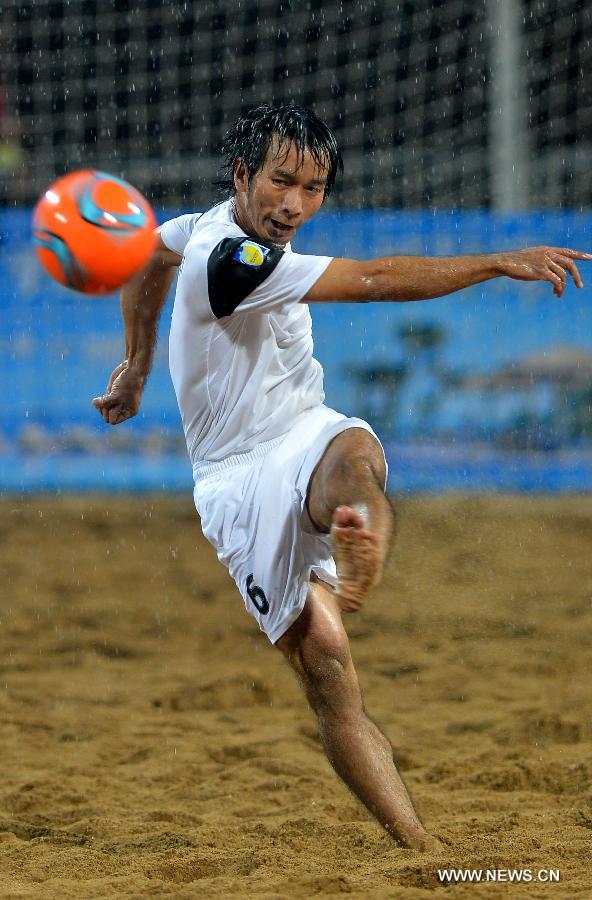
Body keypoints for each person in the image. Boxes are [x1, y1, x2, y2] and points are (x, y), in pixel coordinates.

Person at [93, 104, 590, 852]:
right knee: (326, 666)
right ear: (242, 176)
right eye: (281, 181)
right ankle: (415, 843)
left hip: (302, 430)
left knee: (355, 454)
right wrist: (495, 261)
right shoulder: (229, 260)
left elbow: (143, 259)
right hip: (234, 483)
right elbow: (377, 279)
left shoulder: (194, 227)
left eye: (314, 187)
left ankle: (360, 537)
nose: (295, 204)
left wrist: (135, 366)